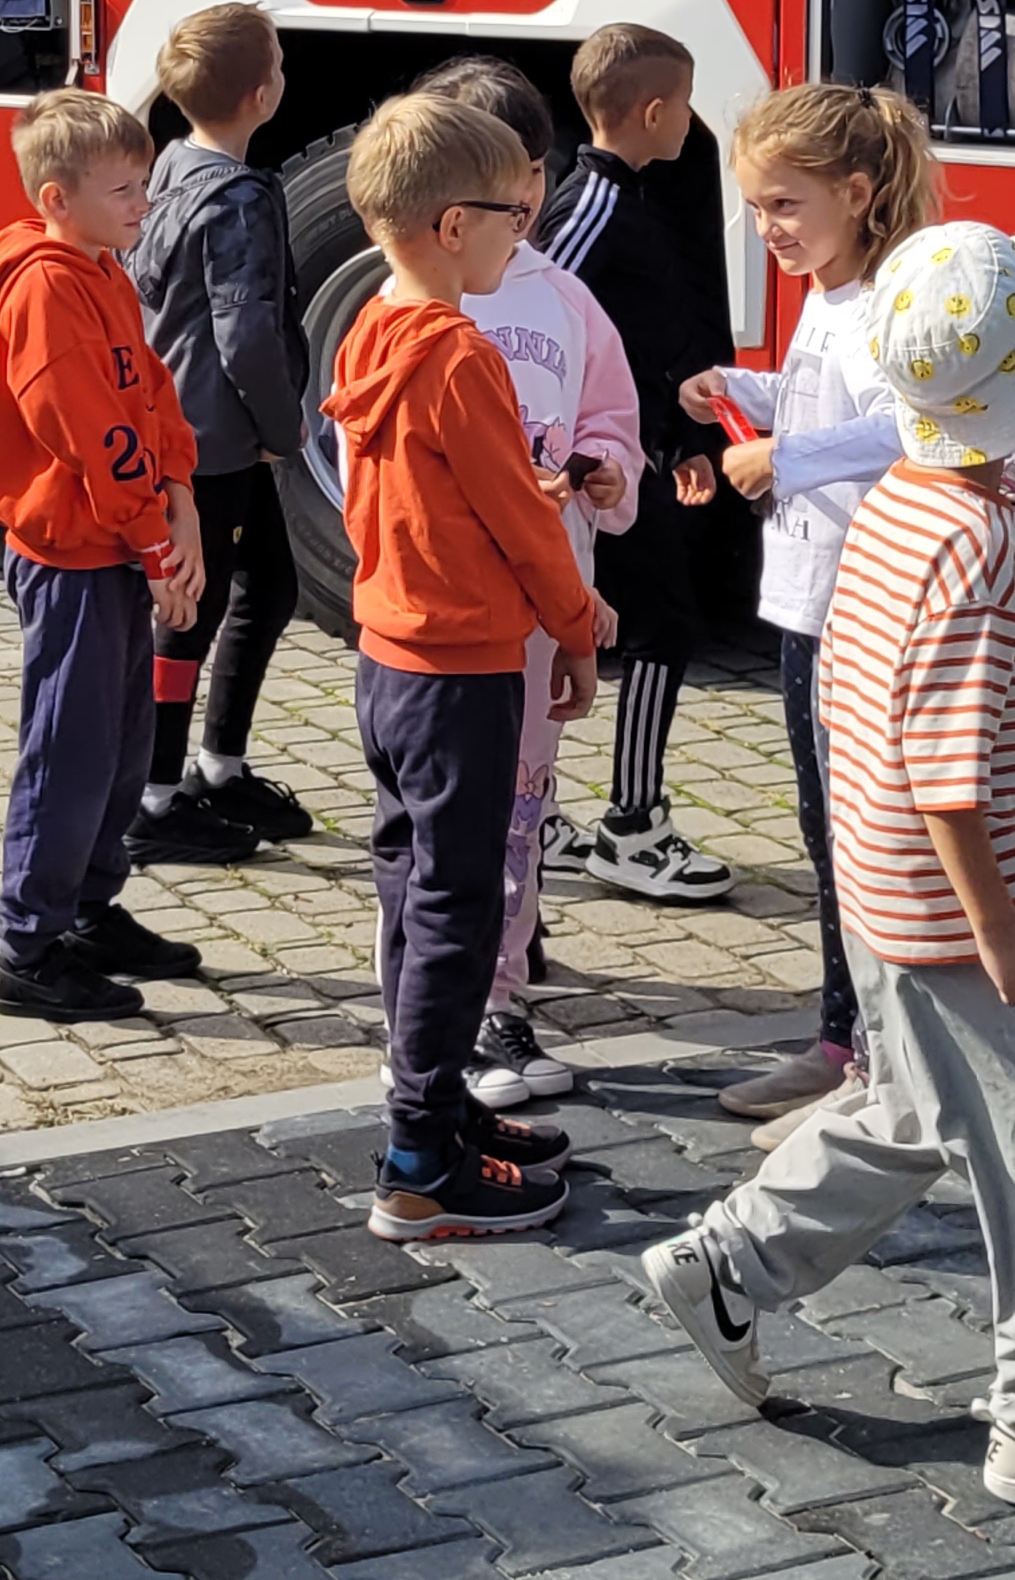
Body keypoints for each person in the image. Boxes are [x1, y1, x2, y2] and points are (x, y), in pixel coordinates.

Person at [642, 221, 1015, 1524]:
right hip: (964, 913)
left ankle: (730, 1262)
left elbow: (873, 719)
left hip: (885, 890)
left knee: (910, 1109)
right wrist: (1007, 929)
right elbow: (949, 773)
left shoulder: (904, 501)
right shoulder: (983, 540)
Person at [328, 91, 608, 1242]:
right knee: (457, 906)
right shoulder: (459, 356)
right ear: (453, 227)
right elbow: (521, 523)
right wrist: (578, 625)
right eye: (509, 217)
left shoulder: (370, 329)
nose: (520, 235)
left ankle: (436, 1108)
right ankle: (419, 1163)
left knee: (413, 888)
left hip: (389, 657)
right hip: (461, 667)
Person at [688, 81, 936, 1129]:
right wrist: (740, 391)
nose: (767, 228)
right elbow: (822, 406)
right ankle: (846, 1041)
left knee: (859, 841)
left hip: (856, 612)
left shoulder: (883, 306)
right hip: (808, 605)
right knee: (825, 833)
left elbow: (902, 430)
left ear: (860, 193)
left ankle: (872, 1055)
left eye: (785, 204)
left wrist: (780, 456)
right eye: (755, 207)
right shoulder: (829, 295)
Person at [406, 56, 642, 1114]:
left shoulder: (571, 302)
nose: (522, 200)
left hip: (547, 607)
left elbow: (611, 424)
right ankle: (430, 1014)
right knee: (437, 823)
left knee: (517, 812)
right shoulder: (405, 310)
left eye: (529, 175)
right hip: (448, 615)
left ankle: (497, 998)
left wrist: (606, 472)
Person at [0, 89, 207, 1028]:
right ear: (58, 199)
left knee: (121, 743)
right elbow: (89, 429)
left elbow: (152, 392)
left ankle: (90, 908)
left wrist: (179, 491)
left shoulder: (102, 270)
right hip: (72, 556)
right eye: (124, 189)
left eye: (144, 183)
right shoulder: (47, 288)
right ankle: (28, 946)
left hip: (115, 543)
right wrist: (156, 539)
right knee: (69, 749)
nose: (144, 202)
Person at [539, 20, 739, 902]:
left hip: (636, 453)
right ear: (654, 113)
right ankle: (632, 824)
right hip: (595, 467)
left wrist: (682, 441)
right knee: (662, 627)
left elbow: (648, 338)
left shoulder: (634, 198)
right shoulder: (592, 206)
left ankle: (549, 809)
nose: (691, 121)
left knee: (653, 623)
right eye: (686, 105)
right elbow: (540, 320)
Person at [127, 4, 301, 866]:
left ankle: (219, 766)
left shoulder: (171, 167)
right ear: (261, 96)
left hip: (190, 428)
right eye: (280, 63)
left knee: (269, 587)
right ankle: (154, 797)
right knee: (189, 612)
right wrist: (282, 426)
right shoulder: (237, 200)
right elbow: (247, 333)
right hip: (218, 440)